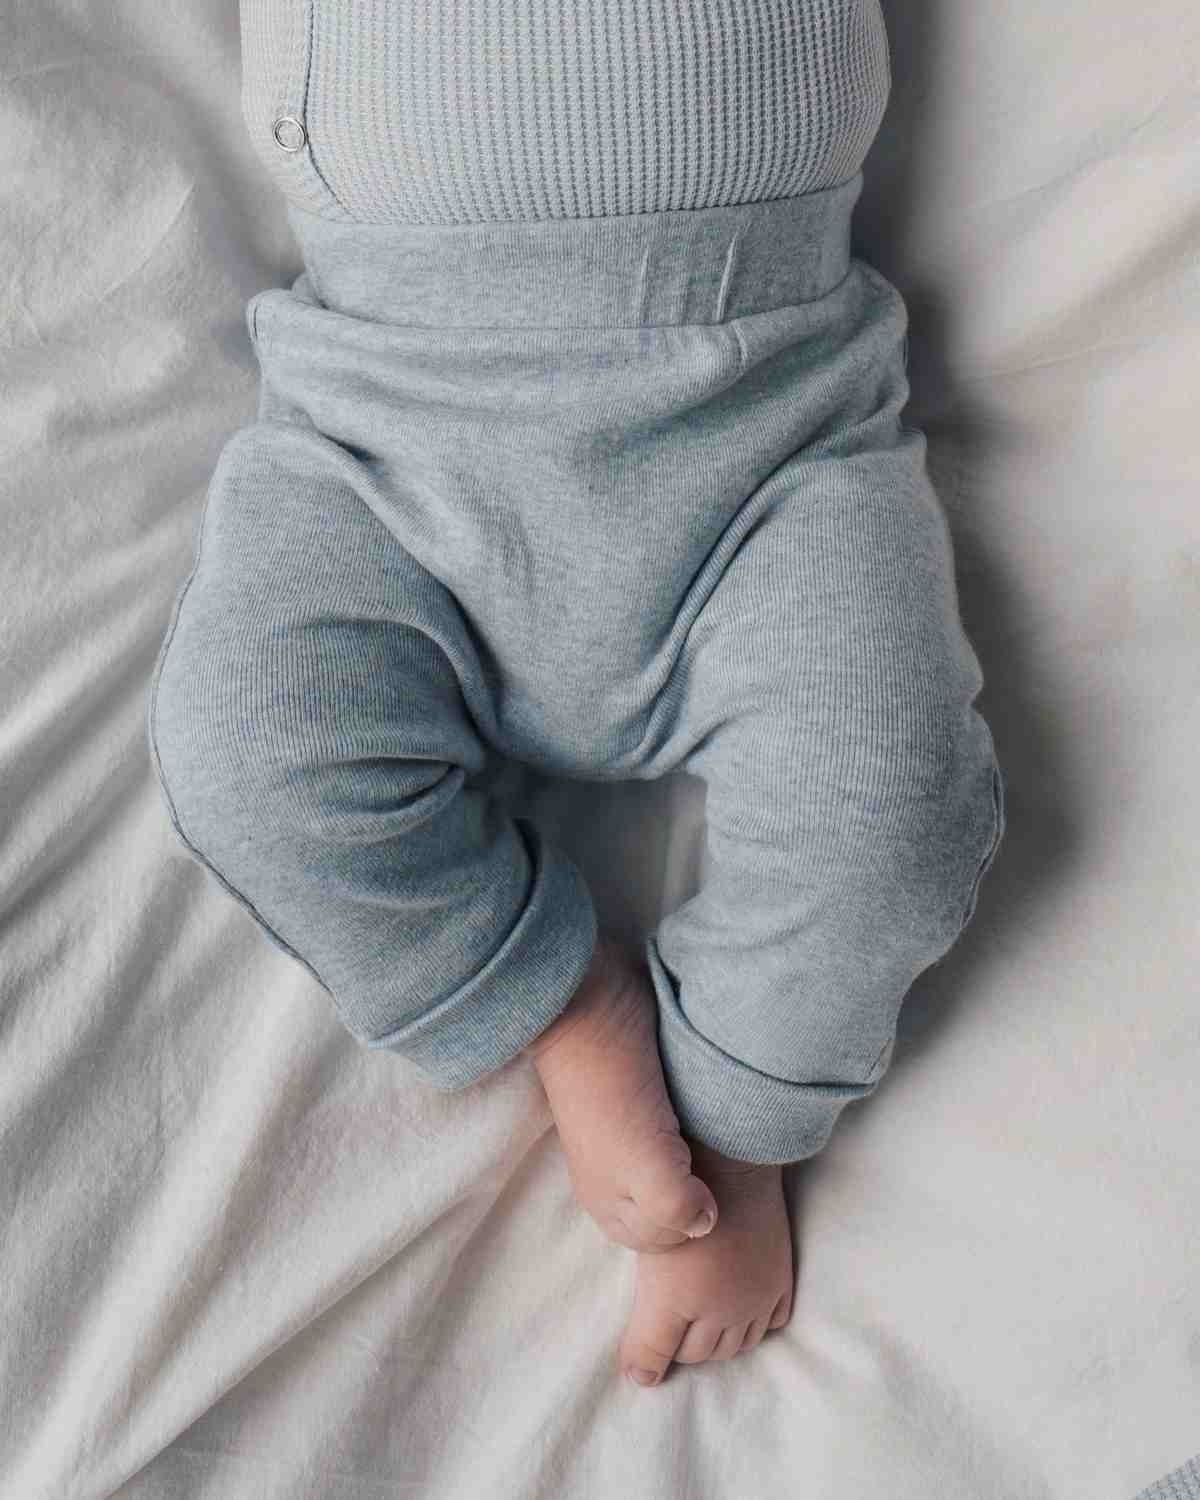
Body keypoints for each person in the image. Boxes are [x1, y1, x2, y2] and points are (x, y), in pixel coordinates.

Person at [147, 0, 1006, 1390]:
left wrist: (748, 1119)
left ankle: (733, 1124)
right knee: (250, 754)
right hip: (385, 448)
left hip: (774, 436)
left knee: (887, 803)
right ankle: (562, 1005)